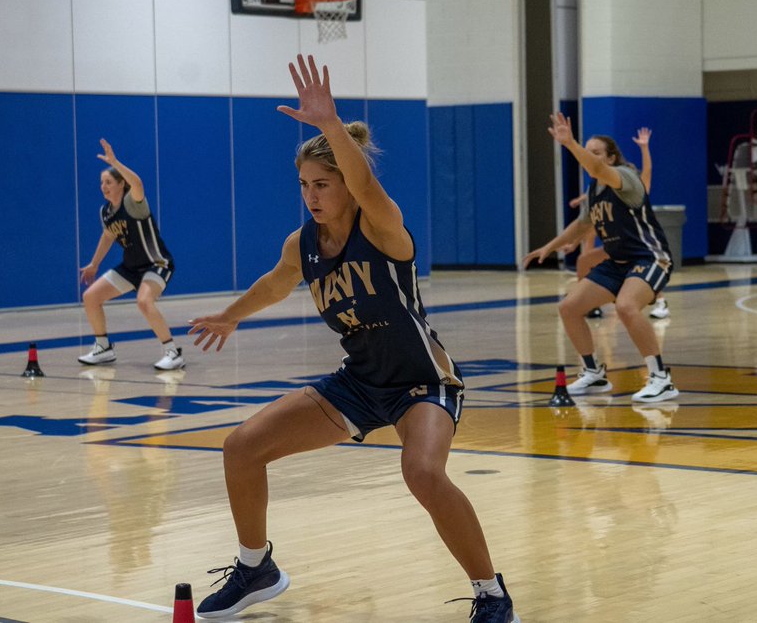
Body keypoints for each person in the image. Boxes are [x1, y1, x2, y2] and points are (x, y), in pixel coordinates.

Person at [188, 55, 519, 623]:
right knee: (242, 447)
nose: (312, 196)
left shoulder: (382, 226)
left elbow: (366, 182)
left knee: (421, 473)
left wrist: (330, 126)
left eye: (323, 184)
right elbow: (275, 283)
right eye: (304, 186)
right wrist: (231, 316)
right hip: (360, 383)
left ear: (346, 184)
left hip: (423, 382)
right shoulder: (304, 244)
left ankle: (492, 595)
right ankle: (255, 567)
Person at [523, 114, 678, 404]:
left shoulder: (624, 178)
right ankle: (594, 374)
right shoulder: (594, 190)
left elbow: (593, 166)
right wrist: (550, 246)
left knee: (626, 307)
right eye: (588, 151)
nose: (590, 158)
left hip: (650, 257)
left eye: (596, 152)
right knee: (569, 307)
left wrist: (569, 143)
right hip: (618, 262)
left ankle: (661, 378)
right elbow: (581, 226)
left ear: (611, 158)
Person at [77, 139, 183, 371]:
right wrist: (94, 264)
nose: (104, 186)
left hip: (157, 263)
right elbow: (108, 236)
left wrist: (115, 162)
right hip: (131, 267)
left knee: (144, 301)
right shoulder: (105, 212)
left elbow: (138, 183)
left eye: (108, 182)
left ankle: (172, 352)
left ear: (121, 184)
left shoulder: (132, 203)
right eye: (101, 183)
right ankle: (103, 348)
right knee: (91, 297)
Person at [565, 128, 668, 319]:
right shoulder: (601, 189)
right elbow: (587, 221)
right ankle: (589, 303)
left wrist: (644, 148)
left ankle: (660, 301)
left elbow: (648, 171)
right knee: (584, 259)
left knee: (642, 270)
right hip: (617, 243)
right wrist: (572, 241)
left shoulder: (636, 186)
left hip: (639, 245)